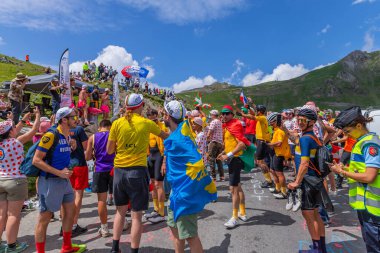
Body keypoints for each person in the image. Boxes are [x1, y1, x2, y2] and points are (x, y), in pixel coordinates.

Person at [106, 93, 168, 253]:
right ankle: (133, 251)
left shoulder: (117, 123)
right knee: (136, 216)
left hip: (119, 172)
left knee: (120, 212)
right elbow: (166, 137)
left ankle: (114, 248)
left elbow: (109, 150)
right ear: (140, 106)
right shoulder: (147, 123)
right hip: (137, 171)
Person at [163, 100, 216, 253]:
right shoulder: (181, 130)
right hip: (175, 193)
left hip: (183, 195)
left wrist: (187, 187)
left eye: (164, 115)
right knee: (177, 234)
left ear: (167, 116)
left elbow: (198, 164)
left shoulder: (180, 138)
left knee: (190, 236)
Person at [33, 107, 85, 253]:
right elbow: (36, 160)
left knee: (70, 212)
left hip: (64, 181)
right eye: (73, 117)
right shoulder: (50, 135)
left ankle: (66, 246)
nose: (76, 119)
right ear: (64, 119)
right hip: (50, 181)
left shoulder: (67, 135)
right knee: (45, 218)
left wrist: (72, 144)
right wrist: (59, 173)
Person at [331, 106, 380, 253]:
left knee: (374, 247)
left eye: (348, 132)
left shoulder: (369, 144)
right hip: (366, 205)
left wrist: (343, 173)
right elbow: (364, 170)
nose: (347, 136)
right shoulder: (363, 141)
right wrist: (345, 170)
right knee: (370, 243)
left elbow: (369, 176)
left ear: (359, 125)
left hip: (373, 206)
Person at [0, 108, 41, 253]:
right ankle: (12, 246)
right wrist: (37, 116)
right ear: (10, 132)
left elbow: (14, 130)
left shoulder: (3, 142)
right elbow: (35, 129)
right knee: (13, 215)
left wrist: (23, 119)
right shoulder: (17, 142)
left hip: (1, 180)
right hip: (16, 181)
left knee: (1, 215)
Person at [287, 107, 327, 253]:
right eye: (298, 120)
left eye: (303, 120)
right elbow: (296, 139)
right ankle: (321, 248)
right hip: (316, 180)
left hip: (308, 181)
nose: (299, 122)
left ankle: (316, 249)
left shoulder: (305, 139)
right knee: (316, 214)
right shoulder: (313, 137)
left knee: (309, 216)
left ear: (311, 122)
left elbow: (304, 164)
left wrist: (296, 182)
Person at [217, 105, 250, 228]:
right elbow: (231, 143)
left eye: (227, 113)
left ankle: (234, 217)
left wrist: (228, 155)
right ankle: (243, 212)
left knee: (233, 189)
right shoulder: (228, 126)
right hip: (232, 158)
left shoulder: (235, 125)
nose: (224, 115)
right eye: (223, 113)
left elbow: (241, 144)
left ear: (232, 114)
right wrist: (224, 152)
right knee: (238, 187)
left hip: (235, 159)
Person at [85, 120, 115, 237]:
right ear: (110, 127)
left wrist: (93, 154)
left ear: (100, 127)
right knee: (118, 198)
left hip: (99, 170)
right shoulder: (114, 135)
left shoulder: (92, 138)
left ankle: (104, 228)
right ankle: (122, 223)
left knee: (101, 200)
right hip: (113, 169)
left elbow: (87, 157)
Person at [144, 109, 168, 224]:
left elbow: (167, 143)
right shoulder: (147, 127)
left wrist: (164, 161)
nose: (149, 117)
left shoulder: (162, 126)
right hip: (150, 156)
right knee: (152, 183)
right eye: (148, 115)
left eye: (151, 115)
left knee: (159, 184)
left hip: (159, 155)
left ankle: (162, 212)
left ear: (156, 116)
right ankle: (155, 209)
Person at [69, 122, 89, 237]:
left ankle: (66, 225)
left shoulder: (58, 130)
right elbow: (86, 146)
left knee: (68, 196)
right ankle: (74, 225)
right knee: (78, 195)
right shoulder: (79, 129)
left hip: (66, 165)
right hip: (79, 164)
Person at [267, 113, 290, 199]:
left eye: (272, 123)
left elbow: (279, 143)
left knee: (279, 174)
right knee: (272, 170)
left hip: (279, 154)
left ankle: (284, 192)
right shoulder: (276, 131)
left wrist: (269, 144)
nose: (271, 124)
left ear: (276, 122)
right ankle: (278, 188)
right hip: (274, 153)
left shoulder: (279, 132)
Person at [206, 110, 224, 181]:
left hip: (214, 142)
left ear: (213, 115)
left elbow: (210, 131)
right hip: (220, 142)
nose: (210, 115)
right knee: (219, 160)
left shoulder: (213, 122)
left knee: (211, 159)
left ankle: (213, 177)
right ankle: (222, 176)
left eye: (211, 114)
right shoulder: (219, 121)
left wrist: (207, 139)